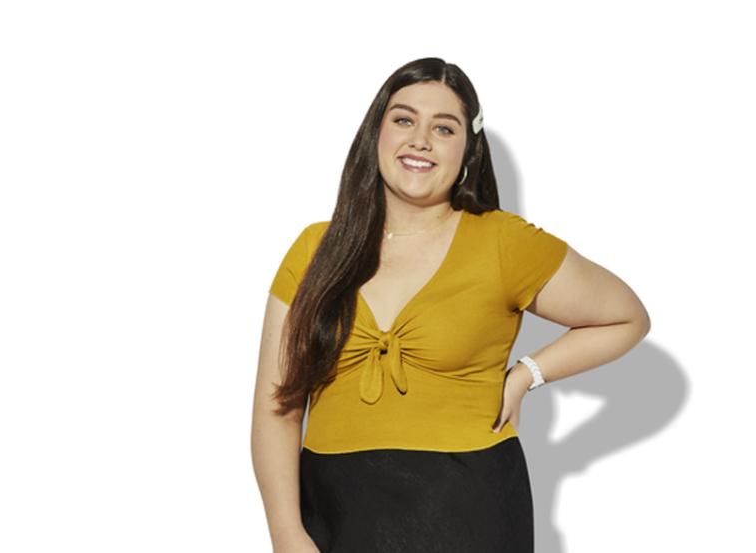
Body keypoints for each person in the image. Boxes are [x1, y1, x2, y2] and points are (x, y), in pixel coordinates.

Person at [251, 57, 650, 553]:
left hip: (469, 506)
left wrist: (528, 373)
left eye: (444, 128)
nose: (420, 139)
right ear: (376, 132)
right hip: (334, 509)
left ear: (468, 149)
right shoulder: (315, 250)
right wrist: (286, 533)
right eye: (404, 120)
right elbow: (277, 408)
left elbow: (626, 316)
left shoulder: (504, 243)